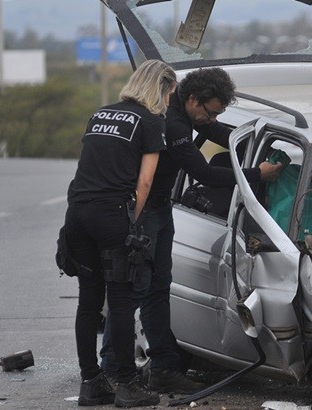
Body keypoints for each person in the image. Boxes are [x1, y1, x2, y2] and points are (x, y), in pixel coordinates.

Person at [100, 67, 282, 394]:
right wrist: (257, 173)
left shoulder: (187, 113)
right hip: (142, 213)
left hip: (160, 211)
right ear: (193, 99)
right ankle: (112, 370)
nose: (210, 119)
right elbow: (205, 173)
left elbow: (218, 132)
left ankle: (164, 368)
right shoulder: (172, 123)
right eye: (209, 112)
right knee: (133, 290)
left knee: (158, 288)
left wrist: (253, 140)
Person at [62, 59, 177, 407]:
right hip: (112, 215)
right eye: (169, 93)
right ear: (160, 89)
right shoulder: (152, 121)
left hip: (78, 214)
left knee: (88, 301)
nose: (170, 101)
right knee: (122, 300)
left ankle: (90, 382)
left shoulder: (100, 114)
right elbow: (144, 182)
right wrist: (133, 225)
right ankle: (127, 385)